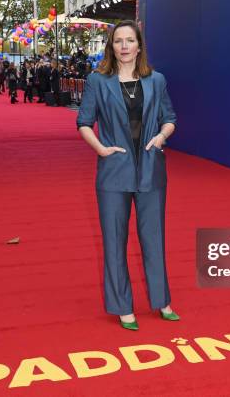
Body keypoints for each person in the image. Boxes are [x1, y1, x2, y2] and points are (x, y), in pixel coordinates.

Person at [76, 20, 178, 331]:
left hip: (150, 169)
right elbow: (84, 122)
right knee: (114, 241)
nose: (123, 46)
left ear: (138, 46)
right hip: (113, 173)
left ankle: (162, 301)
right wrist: (101, 149)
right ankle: (123, 307)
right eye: (118, 41)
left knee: (154, 239)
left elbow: (169, 119)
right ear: (112, 46)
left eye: (129, 40)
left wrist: (161, 137)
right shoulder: (98, 81)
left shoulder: (156, 80)